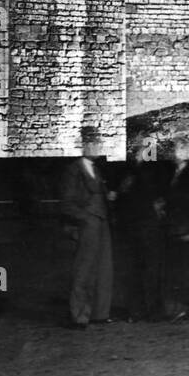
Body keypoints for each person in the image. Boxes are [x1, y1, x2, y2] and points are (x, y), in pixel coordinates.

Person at [58, 129, 117, 329]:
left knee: (103, 269)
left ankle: (100, 314)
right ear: (84, 145)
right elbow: (67, 202)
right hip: (88, 224)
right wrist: (85, 219)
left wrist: (108, 199)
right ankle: (79, 316)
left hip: (102, 223)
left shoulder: (97, 170)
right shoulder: (74, 170)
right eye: (95, 143)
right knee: (83, 270)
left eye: (100, 143)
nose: (99, 147)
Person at [117, 137, 166, 322]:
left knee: (150, 270)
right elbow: (123, 194)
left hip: (148, 225)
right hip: (133, 226)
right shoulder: (129, 170)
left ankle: (152, 310)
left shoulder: (151, 170)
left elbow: (156, 193)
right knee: (134, 270)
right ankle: (136, 311)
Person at [162, 136, 189, 322]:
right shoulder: (174, 173)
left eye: (180, 149)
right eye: (174, 149)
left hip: (187, 230)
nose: (175, 153)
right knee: (178, 270)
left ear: (187, 152)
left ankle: (185, 308)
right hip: (177, 229)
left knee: (186, 271)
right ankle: (180, 307)